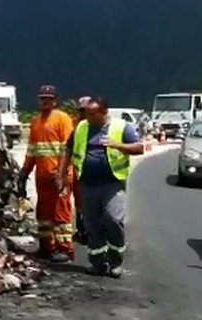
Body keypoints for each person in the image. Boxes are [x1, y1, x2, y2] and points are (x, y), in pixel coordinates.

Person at [59, 97, 145, 278]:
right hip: (87, 184)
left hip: (112, 184)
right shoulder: (81, 128)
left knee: (113, 219)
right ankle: (97, 263)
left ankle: (115, 261)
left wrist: (118, 145)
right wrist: (61, 175)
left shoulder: (121, 127)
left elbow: (139, 148)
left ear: (104, 112)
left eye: (92, 114)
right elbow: (68, 150)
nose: (88, 118)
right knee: (92, 224)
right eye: (86, 114)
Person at [20, 85, 75, 262]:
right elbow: (32, 151)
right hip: (42, 176)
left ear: (54, 101)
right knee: (43, 214)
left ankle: (64, 249)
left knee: (61, 214)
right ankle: (46, 247)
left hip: (59, 176)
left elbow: (68, 149)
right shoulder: (36, 122)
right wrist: (24, 172)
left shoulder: (62, 119)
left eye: (48, 98)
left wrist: (62, 173)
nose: (45, 101)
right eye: (42, 98)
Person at [70, 96, 92, 244]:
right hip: (78, 171)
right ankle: (82, 228)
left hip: (94, 171)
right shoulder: (75, 126)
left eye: (86, 110)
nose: (83, 113)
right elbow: (67, 148)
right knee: (79, 201)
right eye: (81, 110)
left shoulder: (97, 125)